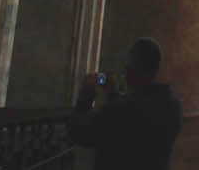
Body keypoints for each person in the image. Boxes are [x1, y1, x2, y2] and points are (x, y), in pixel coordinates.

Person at [68, 37, 182, 170]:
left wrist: (86, 93)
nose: (125, 70)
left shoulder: (120, 110)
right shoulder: (173, 105)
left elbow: (78, 132)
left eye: (128, 64)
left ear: (132, 68)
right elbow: (132, 127)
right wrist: (113, 95)